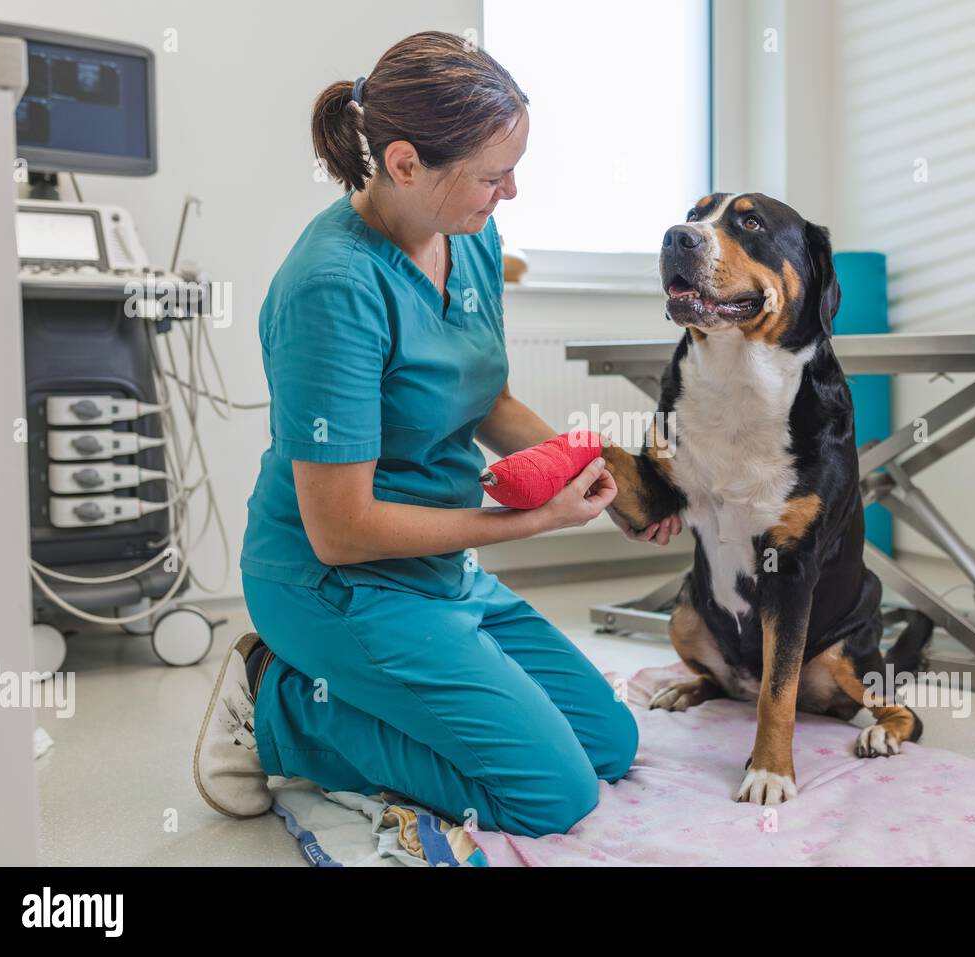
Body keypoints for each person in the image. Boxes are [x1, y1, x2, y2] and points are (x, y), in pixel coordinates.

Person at [193, 31, 681, 839]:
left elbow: (484, 398)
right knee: (553, 794)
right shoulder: (332, 288)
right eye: (493, 175)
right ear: (405, 162)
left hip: (438, 571)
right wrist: (529, 523)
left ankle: (349, 694)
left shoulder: (471, 236)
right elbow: (341, 530)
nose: (511, 191)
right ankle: (277, 706)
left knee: (610, 742)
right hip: (337, 584)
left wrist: (598, 475)